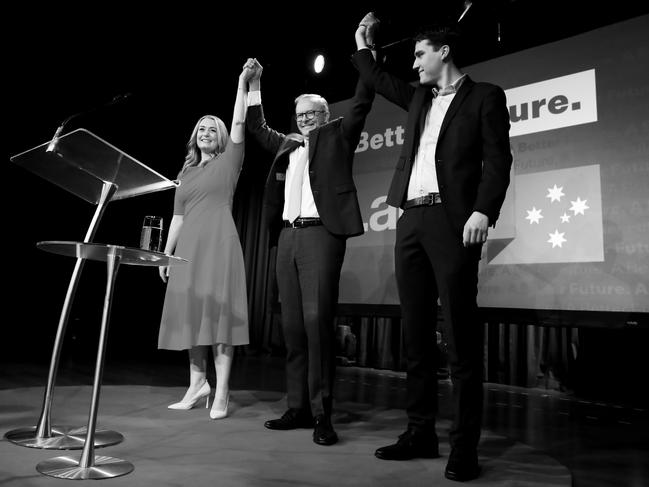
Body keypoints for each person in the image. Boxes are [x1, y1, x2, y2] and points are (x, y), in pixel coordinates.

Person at [353, 13, 512, 482]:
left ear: (443, 51)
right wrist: (362, 45)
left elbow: (498, 160)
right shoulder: (419, 96)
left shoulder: (484, 96)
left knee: (460, 339)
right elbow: (377, 78)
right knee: (415, 336)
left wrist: (483, 210)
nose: (415, 62)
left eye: (420, 53)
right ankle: (420, 432)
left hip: (452, 219)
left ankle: (465, 448)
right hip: (411, 219)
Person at [244, 58, 374, 445]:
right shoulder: (287, 144)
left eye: (311, 114)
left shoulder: (337, 135)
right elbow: (256, 127)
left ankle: (322, 414)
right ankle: (298, 407)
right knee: (293, 328)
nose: (304, 120)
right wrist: (254, 85)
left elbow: (363, 103)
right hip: (288, 238)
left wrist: (364, 53)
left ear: (324, 114)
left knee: (318, 325)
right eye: (299, 114)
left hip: (321, 236)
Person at [157, 60, 256, 420]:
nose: (206, 132)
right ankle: (197, 385)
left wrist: (242, 84)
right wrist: (166, 255)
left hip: (219, 246)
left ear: (222, 136)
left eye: (212, 129)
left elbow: (242, 121)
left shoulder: (230, 160)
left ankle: (222, 392)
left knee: (218, 319)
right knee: (192, 316)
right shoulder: (185, 172)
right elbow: (178, 217)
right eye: (201, 128)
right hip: (188, 250)